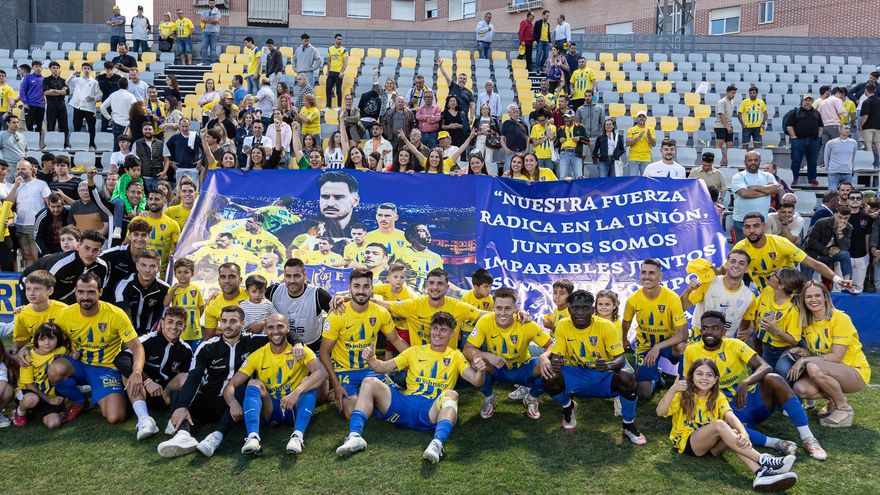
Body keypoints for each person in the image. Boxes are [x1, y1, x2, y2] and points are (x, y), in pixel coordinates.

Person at [335, 311, 486, 463]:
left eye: (443, 330)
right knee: (369, 382)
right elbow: (383, 367)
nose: (438, 333)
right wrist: (371, 359)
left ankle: (436, 444)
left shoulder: (456, 356)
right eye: (435, 328)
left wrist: (480, 371)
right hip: (405, 405)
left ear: (452, 334)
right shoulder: (414, 351)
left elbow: (476, 381)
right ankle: (355, 436)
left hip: (431, 411)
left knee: (452, 394)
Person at [156, 306, 304, 457]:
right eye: (224, 321)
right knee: (177, 394)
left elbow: (280, 333)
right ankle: (183, 436)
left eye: (233, 321)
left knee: (243, 388)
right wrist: (183, 406)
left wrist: (297, 342)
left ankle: (217, 436)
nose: (227, 325)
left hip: (238, 404)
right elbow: (194, 377)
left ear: (242, 323)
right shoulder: (207, 346)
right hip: (212, 401)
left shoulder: (254, 341)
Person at [685, 311, 828, 460]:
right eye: (705, 328)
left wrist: (746, 382)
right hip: (723, 407)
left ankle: (808, 439)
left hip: (751, 400)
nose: (709, 332)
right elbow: (687, 381)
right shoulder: (691, 351)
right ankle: (777, 443)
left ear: (724, 331)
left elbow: (765, 366)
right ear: (700, 330)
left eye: (715, 328)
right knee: (720, 422)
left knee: (774, 378)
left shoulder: (735, 344)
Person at [656, 358, 799, 492]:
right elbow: (660, 412)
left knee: (735, 434)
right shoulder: (683, 393)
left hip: (712, 446)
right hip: (689, 443)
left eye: (709, 375)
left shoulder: (717, 396)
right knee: (719, 424)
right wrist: (672, 389)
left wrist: (744, 433)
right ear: (691, 377)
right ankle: (764, 460)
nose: (704, 378)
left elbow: (730, 416)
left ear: (715, 380)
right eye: (699, 374)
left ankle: (760, 473)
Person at [38, 272, 144, 427]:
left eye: (91, 292)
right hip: (78, 365)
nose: (85, 297)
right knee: (55, 370)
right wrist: (26, 349)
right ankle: (80, 401)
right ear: (75, 292)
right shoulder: (65, 314)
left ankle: (107, 392)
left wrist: (137, 372)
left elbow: (136, 346)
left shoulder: (116, 314)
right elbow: (49, 338)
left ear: (100, 292)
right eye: (80, 292)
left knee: (115, 417)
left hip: (106, 369)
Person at [224, 313, 326, 455]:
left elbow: (322, 373)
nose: (276, 331)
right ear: (266, 331)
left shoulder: (299, 350)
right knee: (254, 382)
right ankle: (253, 438)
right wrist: (232, 402)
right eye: (271, 327)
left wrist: (296, 392)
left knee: (306, 382)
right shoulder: (258, 355)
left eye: (280, 326)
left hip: (294, 406)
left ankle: (297, 436)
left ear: (288, 329)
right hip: (270, 409)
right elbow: (231, 384)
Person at [320, 269, 408, 418]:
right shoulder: (337, 314)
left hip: (371, 368)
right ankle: (345, 393)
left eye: (366, 286)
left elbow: (396, 341)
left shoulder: (381, 312)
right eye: (356, 286)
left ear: (372, 289)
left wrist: (418, 358)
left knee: (397, 408)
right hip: (345, 370)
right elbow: (324, 353)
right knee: (352, 413)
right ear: (350, 288)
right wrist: (336, 384)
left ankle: (365, 392)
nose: (361, 291)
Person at [786, 282, 870, 427]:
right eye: (809, 297)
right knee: (801, 389)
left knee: (812, 366)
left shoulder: (840, 318)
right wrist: (804, 352)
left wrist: (804, 360)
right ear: (804, 300)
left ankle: (844, 409)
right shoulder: (808, 321)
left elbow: (836, 356)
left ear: (825, 297)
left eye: (817, 295)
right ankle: (834, 400)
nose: (813, 300)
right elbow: (821, 352)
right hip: (832, 370)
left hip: (855, 371)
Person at [620, 259, 687, 438]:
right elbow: (625, 322)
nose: (647, 276)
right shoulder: (634, 299)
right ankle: (657, 378)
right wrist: (624, 339)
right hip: (644, 347)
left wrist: (658, 347)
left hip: (668, 344)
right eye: (644, 273)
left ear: (660, 276)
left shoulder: (671, 297)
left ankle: (683, 387)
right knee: (644, 394)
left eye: (651, 273)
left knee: (684, 347)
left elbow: (683, 334)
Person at [463, 288, 549, 420]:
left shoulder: (526, 323)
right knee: (477, 363)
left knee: (550, 364)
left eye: (508, 308)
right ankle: (490, 398)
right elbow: (467, 349)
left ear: (515, 308)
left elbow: (551, 345)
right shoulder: (485, 321)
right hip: (497, 369)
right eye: (499, 308)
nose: (502, 313)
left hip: (522, 368)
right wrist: (488, 356)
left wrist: (544, 356)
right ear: (494, 307)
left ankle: (531, 398)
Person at [114, 306, 192, 441]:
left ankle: (175, 418)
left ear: (184, 327)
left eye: (179, 324)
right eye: (170, 322)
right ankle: (144, 420)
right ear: (162, 323)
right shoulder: (148, 339)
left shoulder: (186, 350)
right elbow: (121, 359)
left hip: (163, 395)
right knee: (130, 374)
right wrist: (146, 380)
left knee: (186, 377)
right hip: (141, 391)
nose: (174, 327)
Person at [734, 211, 849, 290]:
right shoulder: (740, 248)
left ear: (764, 227)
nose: (752, 230)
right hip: (765, 294)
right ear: (743, 229)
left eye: (756, 226)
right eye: (747, 227)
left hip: (790, 292)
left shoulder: (780, 243)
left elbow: (814, 264)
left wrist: (837, 279)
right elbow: (726, 270)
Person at [681, 250, 757, 342]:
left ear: (747, 269)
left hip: (724, 346)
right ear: (726, 264)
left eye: (741, 263)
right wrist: (689, 290)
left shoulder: (750, 297)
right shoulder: (708, 283)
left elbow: (745, 324)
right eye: (733, 261)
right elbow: (682, 307)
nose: (736, 265)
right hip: (697, 341)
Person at [265, 258, 335, 351]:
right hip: (282, 348)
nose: (292, 280)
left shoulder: (318, 294)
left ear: (304, 276)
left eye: (297, 276)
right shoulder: (273, 291)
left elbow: (336, 312)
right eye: (288, 276)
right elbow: (254, 300)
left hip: (312, 347)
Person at [12, 322, 70, 429]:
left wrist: (74, 357)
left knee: (54, 424)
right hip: (29, 392)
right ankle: (20, 413)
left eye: (51, 339)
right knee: (31, 399)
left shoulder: (61, 351)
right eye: (42, 339)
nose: (47, 343)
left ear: (58, 340)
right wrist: (49, 400)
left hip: (48, 394)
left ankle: (34, 411)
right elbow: (29, 385)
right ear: (36, 341)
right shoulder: (28, 358)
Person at [112, 249, 168, 335]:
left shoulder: (165, 289)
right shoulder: (123, 286)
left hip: (152, 336)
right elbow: (123, 317)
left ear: (159, 269)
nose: (147, 270)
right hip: (125, 333)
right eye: (143, 265)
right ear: (137, 265)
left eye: (152, 266)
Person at [11, 271, 69, 354]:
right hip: (36, 350)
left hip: (60, 352)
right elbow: (20, 340)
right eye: (28, 288)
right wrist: (14, 353)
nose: (31, 293)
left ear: (50, 291)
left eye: (37, 289)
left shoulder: (63, 310)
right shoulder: (22, 313)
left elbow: (73, 336)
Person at [7, 158, 51, 266]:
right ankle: (29, 280)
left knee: (36, 256)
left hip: (35, 225)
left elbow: (49, 204)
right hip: (20, 225)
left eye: (23, 168)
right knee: (26, 256)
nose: (20, 171)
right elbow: (9, 204)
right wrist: (16, 186)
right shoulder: (16, 185)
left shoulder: (41, 184)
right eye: (18, 169)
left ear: (31, 169)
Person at [729, 150, 779, 243]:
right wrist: (766, 192)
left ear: (760, 161)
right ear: (745, 162)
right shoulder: (739, 176)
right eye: (750, 160)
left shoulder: (767, 175)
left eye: (756, 160)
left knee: (759, 249)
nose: (753, 162)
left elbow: (776, 188)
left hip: (761, 222)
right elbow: (745, 194)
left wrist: (755, 187)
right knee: (742, 252)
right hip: (742, 222)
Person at [803, 205, 853, 286]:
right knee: (806, 283)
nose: (842, 220)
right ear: (835, 215)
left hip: (826, 256)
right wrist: (827, 250)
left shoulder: (848, 227)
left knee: (845, 254)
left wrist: (840, 233)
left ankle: (847, 282)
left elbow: (845, 248)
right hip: (811, 255)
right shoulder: (821, 222)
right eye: (840, 217)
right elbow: (811, 242)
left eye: (845, 218)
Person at [785, 93, 823, 185]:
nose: (807, 102)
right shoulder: (796, 112)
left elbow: (821, 125)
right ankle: (794, 178)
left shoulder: (816, 113)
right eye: (806, 100)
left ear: (812, 102)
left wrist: (819, 135)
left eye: (809, 100)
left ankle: (812, 179)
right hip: (798, 141)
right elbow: (789, 125)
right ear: (802, 101)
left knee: (812, 161)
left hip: (813, 141)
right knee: (796, 160)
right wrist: (793, 137)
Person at [67, 62, 101, 151]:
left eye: (88, 68)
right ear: (82, 69)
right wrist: (73, 74)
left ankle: (91, 144)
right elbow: (67, 83)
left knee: (91, 127)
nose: (86, 70)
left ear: (90, 70)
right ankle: (77, 144)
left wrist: (93, 98)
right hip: (78, 106)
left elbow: (99, 95)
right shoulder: (77, 80)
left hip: (89, 107)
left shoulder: (94, 82)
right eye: (84, 68)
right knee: (76, 126)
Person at [101, 78, 138, 151]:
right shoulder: (131, 96)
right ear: (128, 86)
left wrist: (109, 118)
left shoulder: (113, 95)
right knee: (129, 147)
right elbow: (135, 110)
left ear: (118, 85)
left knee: (117, 146)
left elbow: (102, 107)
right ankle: (128, 162)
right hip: (128, 125)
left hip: (116, 123)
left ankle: (114, 161)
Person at [818, 87, 848, 166]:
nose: (841, 97)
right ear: (838, 93)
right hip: (834, 124)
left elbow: (818, 113)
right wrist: (846, 113)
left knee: (825, 146)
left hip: (824, 126)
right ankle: (837, 163)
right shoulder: (837, 100)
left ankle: (822, 163)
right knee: (837, 144)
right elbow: (842, 111)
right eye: (841, 95)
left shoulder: (822, 101)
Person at [824, 123, 858, 191]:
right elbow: (826, 157)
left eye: (849, 128)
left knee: (847, 194)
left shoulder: (853, 142)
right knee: (832, 194)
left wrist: (851, 169)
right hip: (834, 173)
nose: (848, 130)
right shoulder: (831, 143)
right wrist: (828, 169)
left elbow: (853, 157)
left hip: (847, 172)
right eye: (846, 128)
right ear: (840, 129)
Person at [555, 111, 587, 179]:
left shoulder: (580, 127)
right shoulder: (560, 129)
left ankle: (578, 190)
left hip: (576, 153)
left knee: (579, 177)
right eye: (565, 118)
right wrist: (559, 140)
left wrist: (580, 138)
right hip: (564, 154)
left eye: (568, 117)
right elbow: (555, 144)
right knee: (563, 177)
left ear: (573, 117)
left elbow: (587, 141)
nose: (566, 119)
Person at [20, 62, 45, 140]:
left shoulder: (44, 79)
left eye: (40, 66)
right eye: (36, 66)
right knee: (29, 125)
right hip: (30, 105)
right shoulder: (28, 78)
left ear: (42, 68)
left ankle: (38, 145)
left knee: (39, 126)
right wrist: (25, 102)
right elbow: (22, 91)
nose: (38, 68)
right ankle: (30, 143)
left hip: (41, 106)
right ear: (33, 68)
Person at [625, 111, 655, 176]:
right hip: (633, 158)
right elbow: (627, 143)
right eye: (639, 116)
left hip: (646, 158)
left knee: (645, 180)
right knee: (632, 180)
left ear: (646, 118)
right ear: (636, 118)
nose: (641, 118)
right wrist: (638, 138)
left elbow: (653, 144)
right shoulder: (631, 129)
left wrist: (649, 136)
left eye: (643, 116)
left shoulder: (651, 130)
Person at [858, 83, 880, 168]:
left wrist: (860, 125)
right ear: (874, 91)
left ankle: (870, 165)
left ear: (866, 90)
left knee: (869, 147)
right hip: (878, 128)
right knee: (878, 147)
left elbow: (865, 116)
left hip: (867, 128)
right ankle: (878, 165)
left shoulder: (866, 102)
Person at [715, 85, 737, 165]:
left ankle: (725, 161)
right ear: (727, 92)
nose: (733, 95)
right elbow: (721, 114)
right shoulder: (722, 102)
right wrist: (727, 126)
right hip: (720, 126)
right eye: (732, 93)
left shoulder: (732, 102)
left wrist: (729, 126)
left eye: (734, 93)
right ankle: (717, 162)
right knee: (719, 146)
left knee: (730, 145)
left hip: (729, 125)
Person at [199, 0, 221, 65]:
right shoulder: (204, 11)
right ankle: (203, 62)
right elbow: (202, 19)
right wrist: (212, 19)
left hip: (215, 32)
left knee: (213, 48)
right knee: (204, 48)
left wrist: (206, 20)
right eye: (210, 3)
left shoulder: (217, 11)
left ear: (215, 4)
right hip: (205, 32)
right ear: (208, 3)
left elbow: (216, 20)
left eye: (213, 3)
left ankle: (212, 62)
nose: (212, 4)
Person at [533, 10, 552, 75]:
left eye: (548, 16)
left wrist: (550, 42)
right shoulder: (538, 22)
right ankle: (537, 68)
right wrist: (535, 40)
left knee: (546, 55)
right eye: (546, 16)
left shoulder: (548, 24)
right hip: (540, 41)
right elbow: (535, 32)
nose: (547, 17)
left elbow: (548, 33)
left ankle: (541, 66)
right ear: (543, 15)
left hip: (546, 41)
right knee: (539, 54)